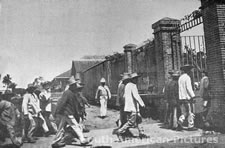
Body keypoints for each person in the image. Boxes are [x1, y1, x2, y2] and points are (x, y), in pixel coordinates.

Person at [52, 76, 93, 148]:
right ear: (71, 86)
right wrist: (57, 111)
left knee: (61, 127)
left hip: (67, 113)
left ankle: (55, 142)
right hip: (67, 113)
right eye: (74, 85)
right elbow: (62, 103)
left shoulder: (71, 92)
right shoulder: (67, 93)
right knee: (75, 126)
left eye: (75, 85)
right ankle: (82, 140)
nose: (75, 86)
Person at [115, 73, 146, 141]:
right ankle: (120, 131)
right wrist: (142, 104)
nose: (137, 80)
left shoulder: (127, 85)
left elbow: (124, 96)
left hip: (129, 107)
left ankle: (141, 132)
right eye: (136, 79)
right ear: (133, 79)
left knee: (139, 119)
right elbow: (136, 96)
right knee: (131, 122)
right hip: (132, 107)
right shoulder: (133, 86)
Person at [177, 65, 197, 131]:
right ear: (188, 71)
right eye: (190, 70)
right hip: (187, 98)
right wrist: (193, 96)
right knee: (190, 112)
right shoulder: (187, 78)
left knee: (184, 112)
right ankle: (190, 126)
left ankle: (180, 121)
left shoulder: (180, 78)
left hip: (181, 98)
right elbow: (188, 88)